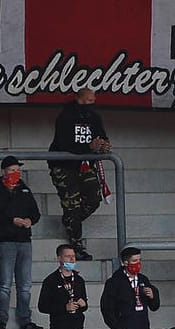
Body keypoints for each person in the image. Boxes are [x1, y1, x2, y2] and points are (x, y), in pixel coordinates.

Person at [0, 157, 41, 329]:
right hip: (5, 241)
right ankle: (1, 319)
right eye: (11, 170)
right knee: (5, 283)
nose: (15, 173)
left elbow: (35, 213)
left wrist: (29, 220)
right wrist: (11, 220)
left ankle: (25, 320)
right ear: (3, 172)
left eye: (17, 170)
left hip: (24, 241)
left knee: (25, 285)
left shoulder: (24, 189)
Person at [47, 89, 111, 257]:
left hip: (84, 166)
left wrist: (104, 145)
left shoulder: (94, 117)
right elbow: (65, 144)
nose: (90, 104)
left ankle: (70, 221)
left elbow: (102, 137)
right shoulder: (65, 116)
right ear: (78, 99)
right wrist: (89, 147)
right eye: (87, 100)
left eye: (92, 101)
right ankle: (75, 243)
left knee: (94, 198)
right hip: (63, 166)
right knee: (72, 205)